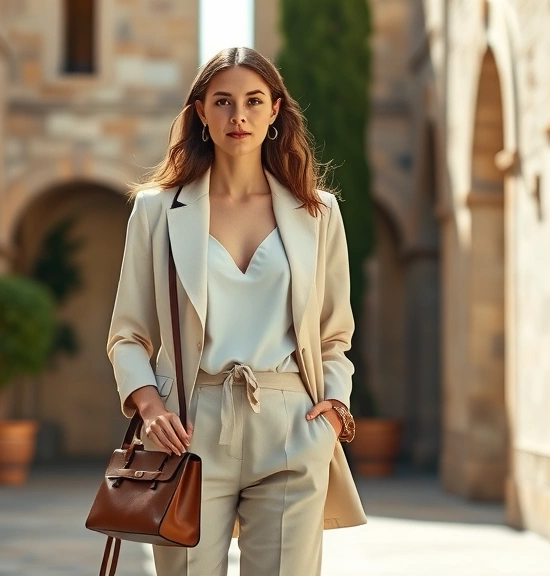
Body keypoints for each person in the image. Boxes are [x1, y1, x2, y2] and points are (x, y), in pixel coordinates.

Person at [106, 46, 366, 576]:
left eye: (253, 101)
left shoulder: (319, 213)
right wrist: (151, 408)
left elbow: (334, 334)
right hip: (189, 428)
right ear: (201, 112)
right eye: (222, 102)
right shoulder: (157, 212)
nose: (238, 116)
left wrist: (334, 409)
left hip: (294, 425)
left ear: (275, 111)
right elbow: (128, 335)